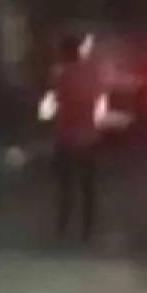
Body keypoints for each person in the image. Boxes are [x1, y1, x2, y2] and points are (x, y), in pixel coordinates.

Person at [51, 34, 105, 243]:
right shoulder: (90, 73)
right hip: (88, 137)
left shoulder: (61, 75)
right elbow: (98, 99)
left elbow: (57, 101)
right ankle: (87, 228)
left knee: (65, 185)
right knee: (87, 186)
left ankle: (62, 225)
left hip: (66, 136)